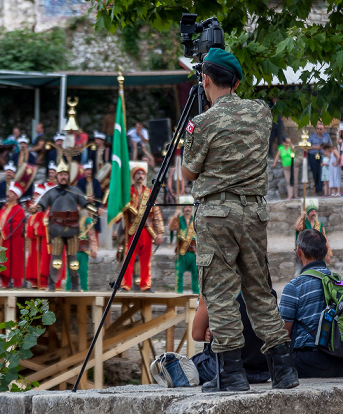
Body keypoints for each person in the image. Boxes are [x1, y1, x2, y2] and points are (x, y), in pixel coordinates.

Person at [181, 48, 298, 392]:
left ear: (205, 80)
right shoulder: (261, 112)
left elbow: (188, 172)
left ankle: (231, 374)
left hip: (217, 214)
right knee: (259, 289)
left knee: (219, 291)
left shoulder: (202, 123)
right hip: (254, 212)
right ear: (236, 81)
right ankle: (284, 369)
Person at [280, 228, 343, 377]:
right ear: (325, 251)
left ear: (299, 251)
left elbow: (283, 333)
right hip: (340, 359)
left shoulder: (294, 287)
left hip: (308, 363)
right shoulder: (339, 283)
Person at [37, 160, 98, 292]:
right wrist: (35, 208)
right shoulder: (51, 192)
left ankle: (75, 286)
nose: (63, 177)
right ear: (57, 176)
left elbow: (85, 204)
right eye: (61, 174)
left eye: (65, 174)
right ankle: (51, 285)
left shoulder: (75, 191)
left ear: (68, 176)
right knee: (56, 259)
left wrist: (95, 209)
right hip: (56, 229)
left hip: (72, 229)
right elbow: (42, 204)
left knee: (73, 260)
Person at [192, 293, 273, 384]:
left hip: (225, 370)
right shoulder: (265, 289)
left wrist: (212, 328)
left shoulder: (215, 289)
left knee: (183, 367)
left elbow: (197, 334)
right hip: (262, 372)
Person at [119, 162, 164, 292]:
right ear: (133, 176)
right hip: (132, 229)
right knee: (128, 258)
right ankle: (125, 285)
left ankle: (146, 285)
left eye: (142, 173)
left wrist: (159, 232)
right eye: (138, 173)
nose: (140, 176)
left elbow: (156, 213)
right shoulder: (127, 192)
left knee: (146, 259)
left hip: (146, 230)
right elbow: (122, 211)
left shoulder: (149, 193)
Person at [0, 182, 25, 288]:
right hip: (2, 241)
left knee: (14, 262)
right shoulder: (3, 209)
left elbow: (17, 226)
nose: (8, 194)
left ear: (16, 196)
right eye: (8, 192)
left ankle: (16, 284)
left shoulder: (19, 210)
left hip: (13, 241)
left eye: (11, 192)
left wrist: (2, 230)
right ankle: (5, 283)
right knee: (3, 262)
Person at [168, 197, 198, 294]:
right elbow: (171, 228)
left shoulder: (195, 220)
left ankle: (196, 296)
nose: (187, 209)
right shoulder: (179, 220)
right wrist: (175, 215)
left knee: (196, 276)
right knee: (179, 275)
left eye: (189, 207)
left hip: (194, 253)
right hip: (181, 253)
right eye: (185, 207)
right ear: (182, 209)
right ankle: (178, 295)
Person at [65, 209, 96, 292]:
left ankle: (85, 291)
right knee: (69, 272)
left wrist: (93, 250)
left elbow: (91, 236)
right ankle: (67, 290)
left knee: (83, 272)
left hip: (83, 250)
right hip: (72, 250)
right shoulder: (68, 220)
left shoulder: (87, 220)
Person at [25, 185, 47, 289]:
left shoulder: (42, 214)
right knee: (32, 260)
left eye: (36, 196)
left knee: (39, 261)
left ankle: (41, 281)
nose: (34, 198)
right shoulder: (32, 215)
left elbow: (42, 229)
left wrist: (36, 229)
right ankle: (34, 279)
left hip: (40, 242)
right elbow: (29, 230)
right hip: (33, 242)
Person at [76, 161, 103, 237]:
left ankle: (94, 247)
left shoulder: (96, 182)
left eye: (90, 170)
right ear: (84, 171)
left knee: (94, 228)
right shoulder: (80, 182)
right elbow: (79, 194)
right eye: (87, 170)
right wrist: (86, 199)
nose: (89, 172)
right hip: (84, 207)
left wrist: (93, 198)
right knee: (83, 227)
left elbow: (99, 194)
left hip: (94, 207)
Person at [308, 122, 332, 195]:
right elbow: (307, 147)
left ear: (323, 129)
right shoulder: (312, 136)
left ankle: (319, 190)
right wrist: (315, 147)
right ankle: (318, 188)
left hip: (323, 155)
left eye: (321, 129)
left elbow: (330, 146)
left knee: (322, 172)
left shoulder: (326, 136)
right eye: (318, 129)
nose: (319, 130)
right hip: (313, 155)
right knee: (315, 172)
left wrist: (324, 148)